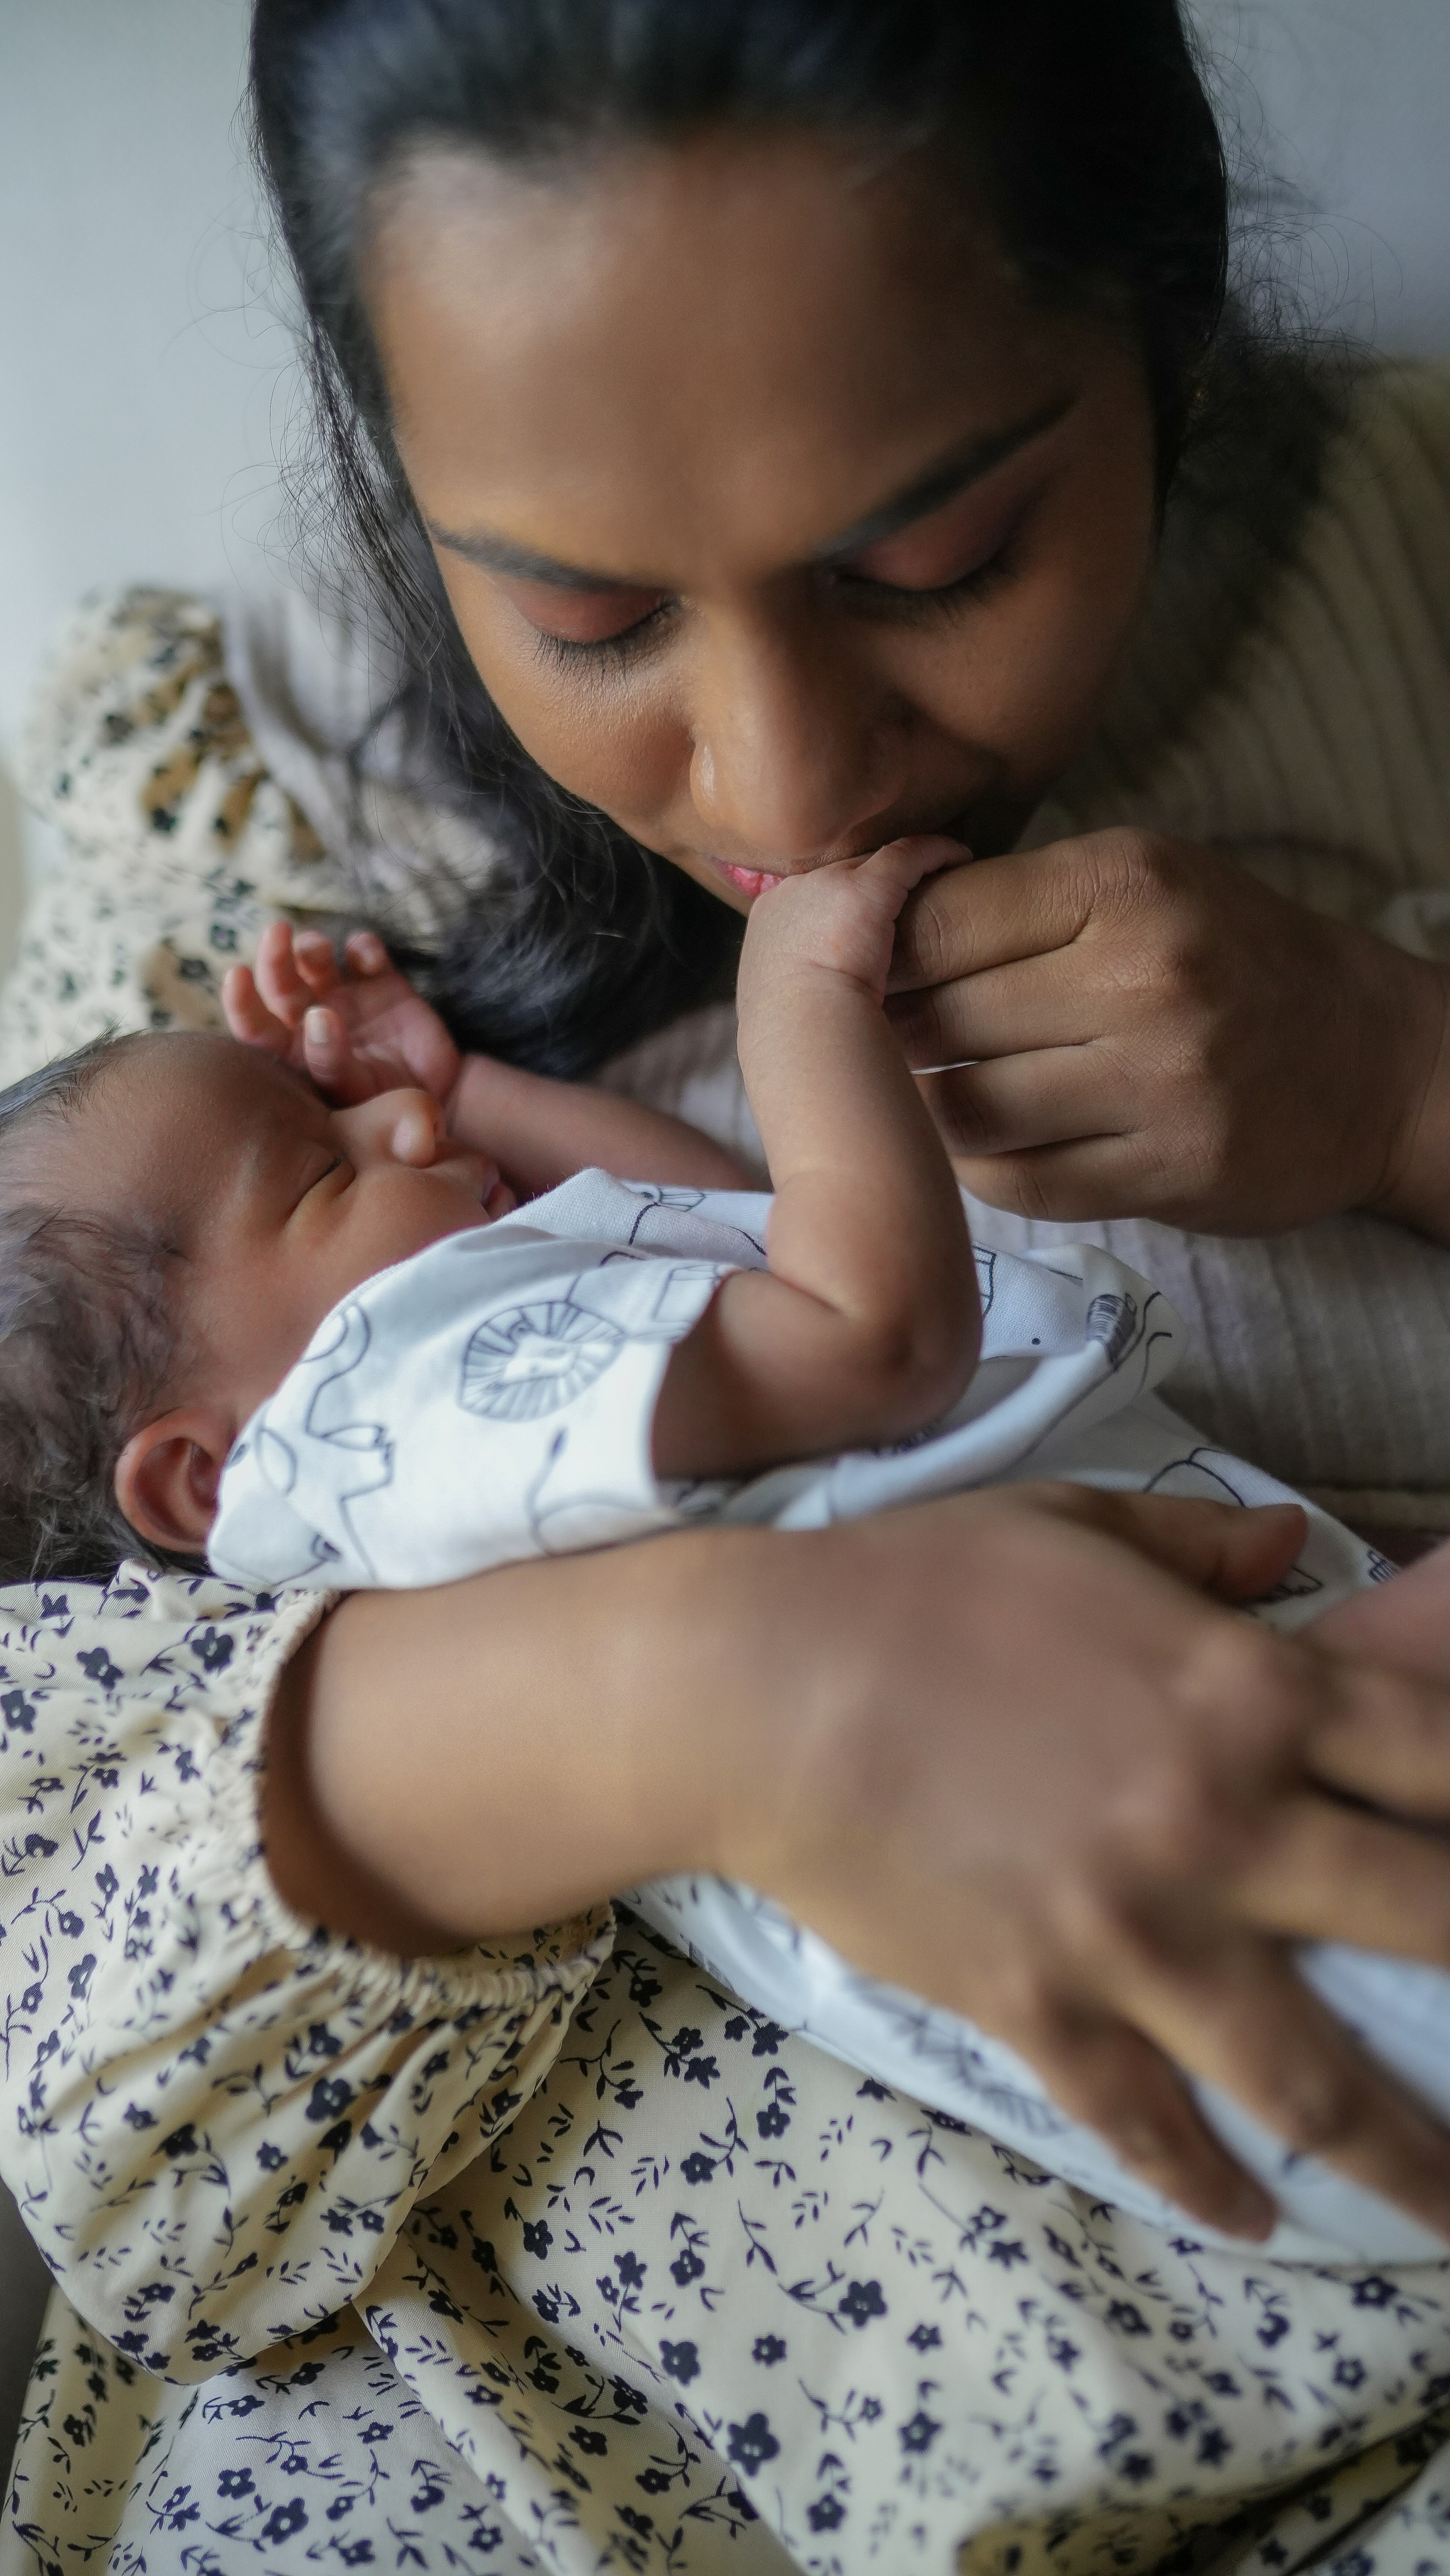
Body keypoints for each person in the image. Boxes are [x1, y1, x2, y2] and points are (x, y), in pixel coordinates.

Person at [7, 0, 1450, 2565]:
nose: (787, 785)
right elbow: (119, 2135)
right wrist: (724, 1692)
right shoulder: (226, 853)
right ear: (394, 471)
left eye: (938, 560)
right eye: (580, 619)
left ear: (1156, 322)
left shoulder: (1422, 568)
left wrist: (1413, 1085)